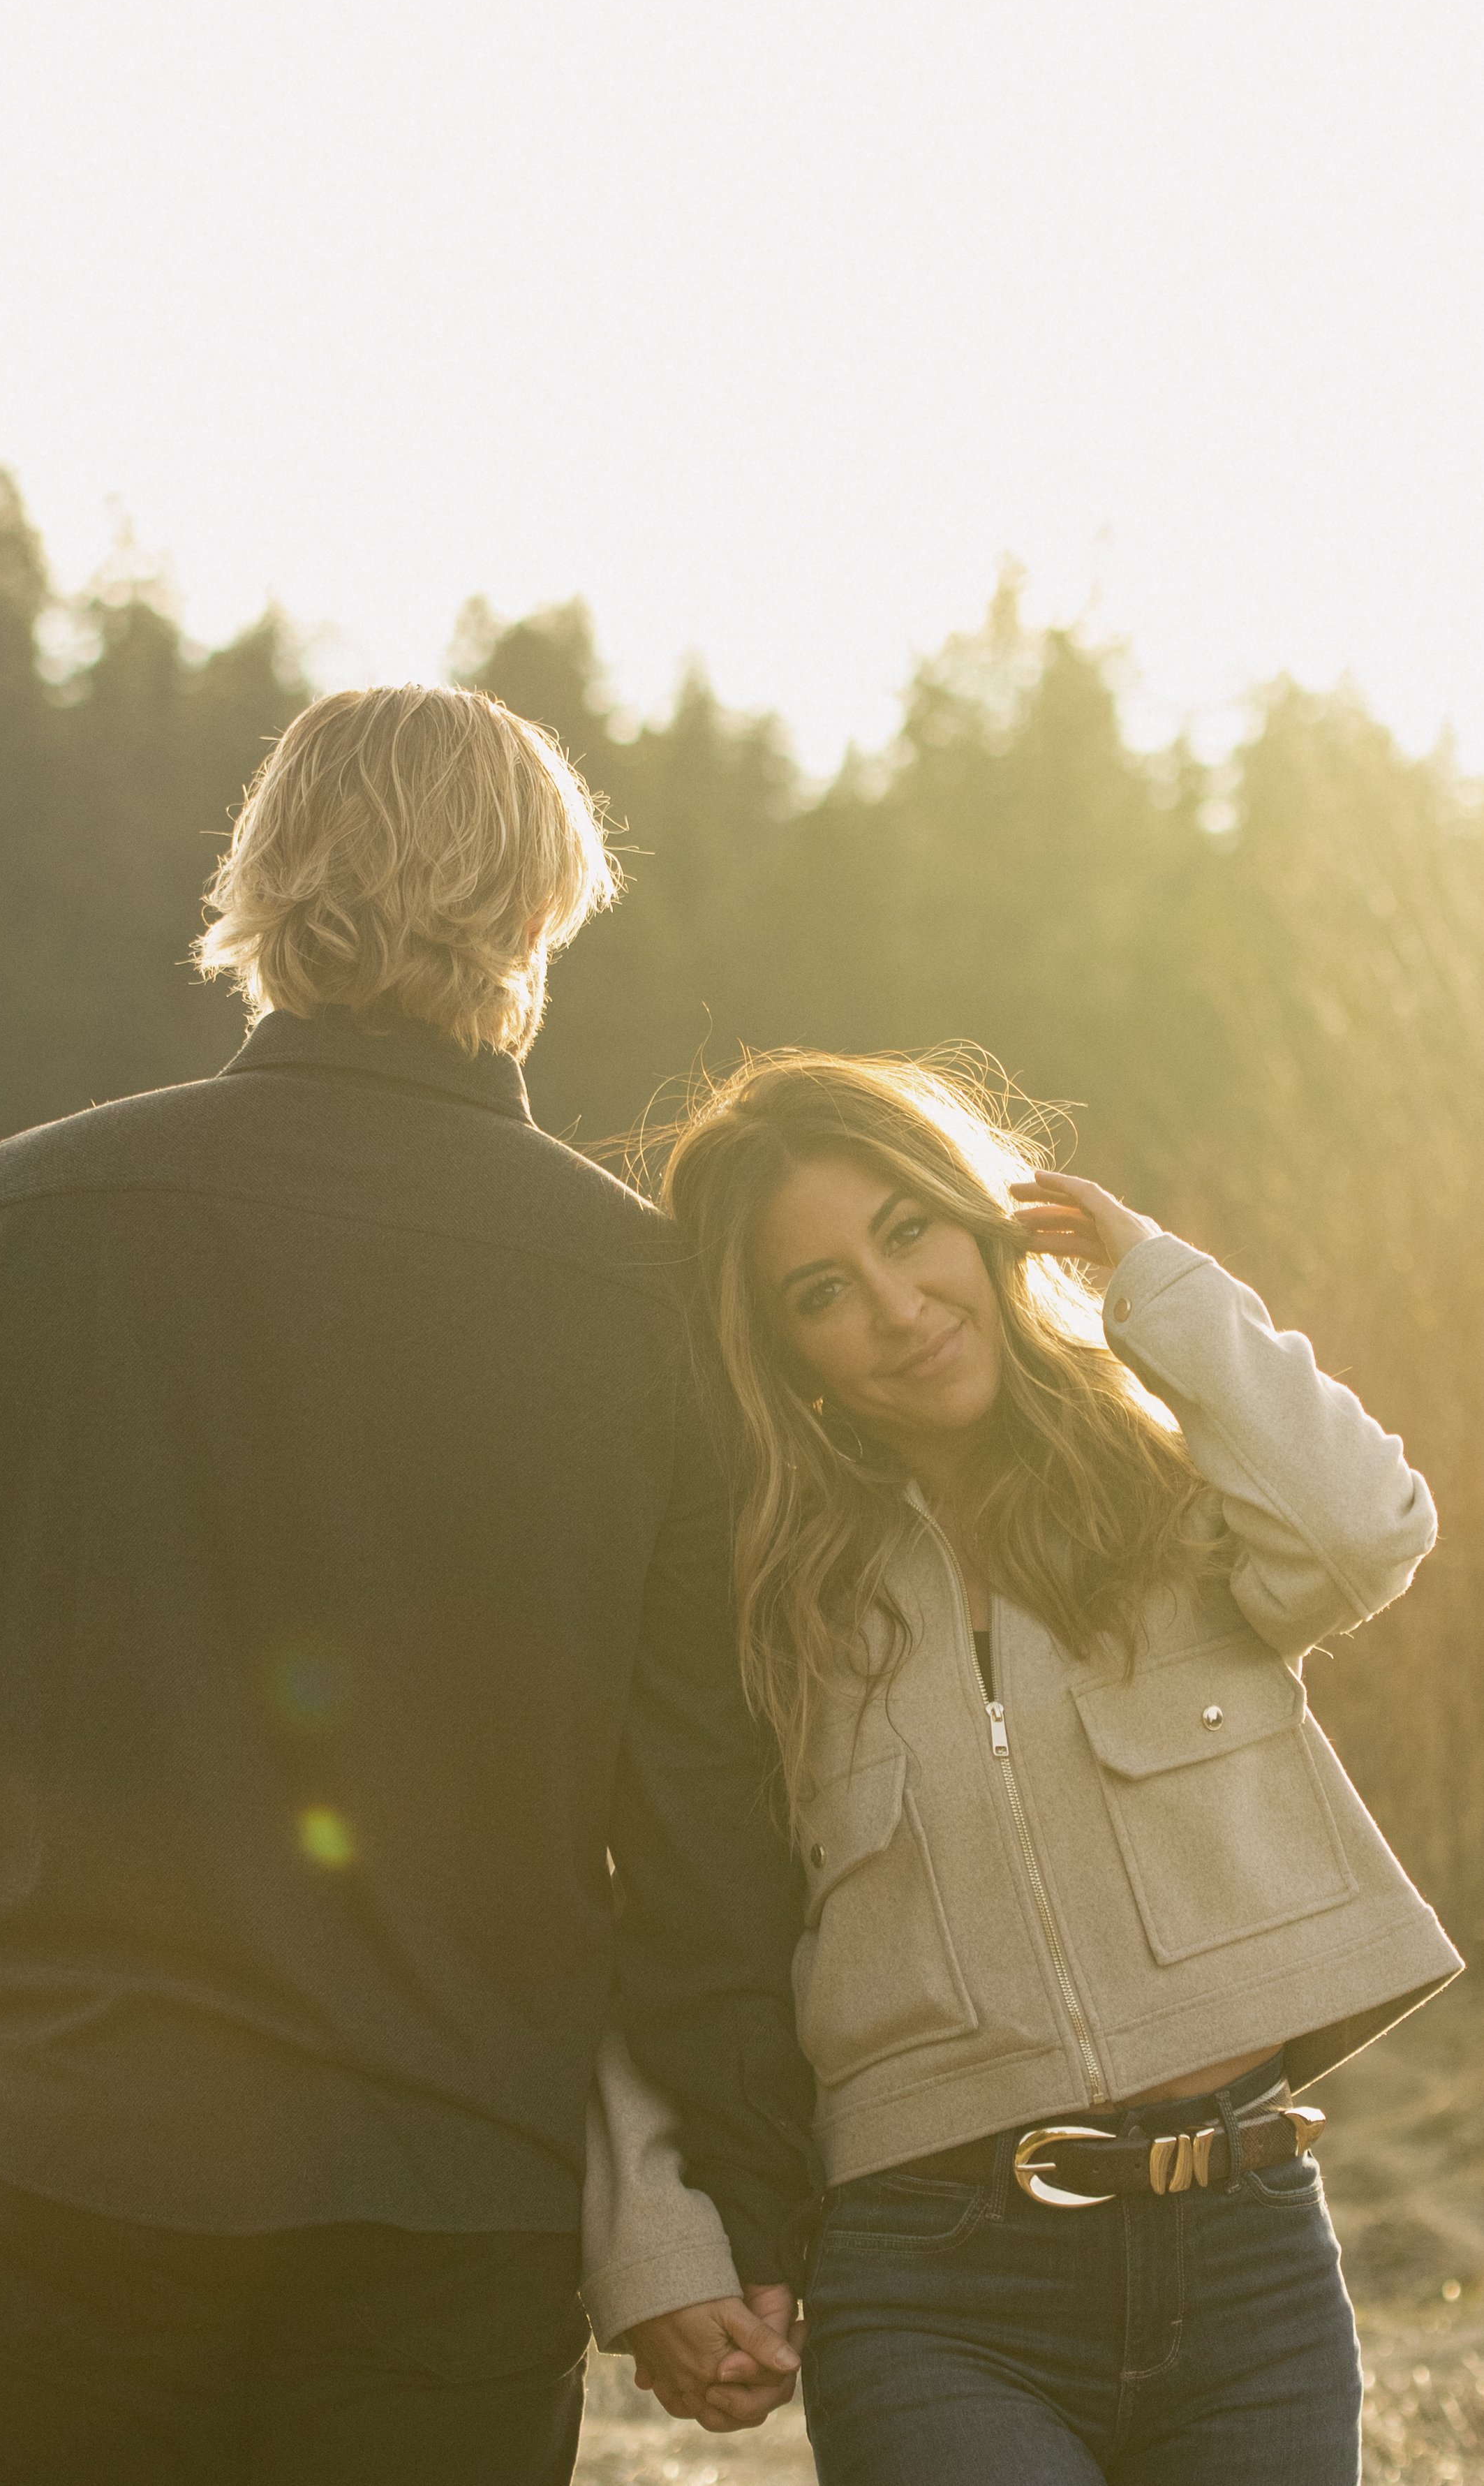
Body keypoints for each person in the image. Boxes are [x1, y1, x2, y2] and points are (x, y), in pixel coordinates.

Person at [0, 686, 813, 2486]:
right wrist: (738, 2183)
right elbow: (704, 1797)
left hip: (70, 2161)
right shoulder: (641, 1299)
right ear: (530, 920)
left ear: (259, 889)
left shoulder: (20, 1220)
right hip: (451, 2200)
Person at [581, 1049, 1460, 2483]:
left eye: (905, 1232)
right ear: (776, 1348)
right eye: (819, 1294)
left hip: (1249, 2256)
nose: (893, 1309)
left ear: (980, 1218)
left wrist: (1155, 1285)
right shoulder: (761, 1608)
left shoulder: (1175, 1498)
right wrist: (651, 2243)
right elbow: (668, 1914)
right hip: (933, 2286)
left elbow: (1364, 1534)